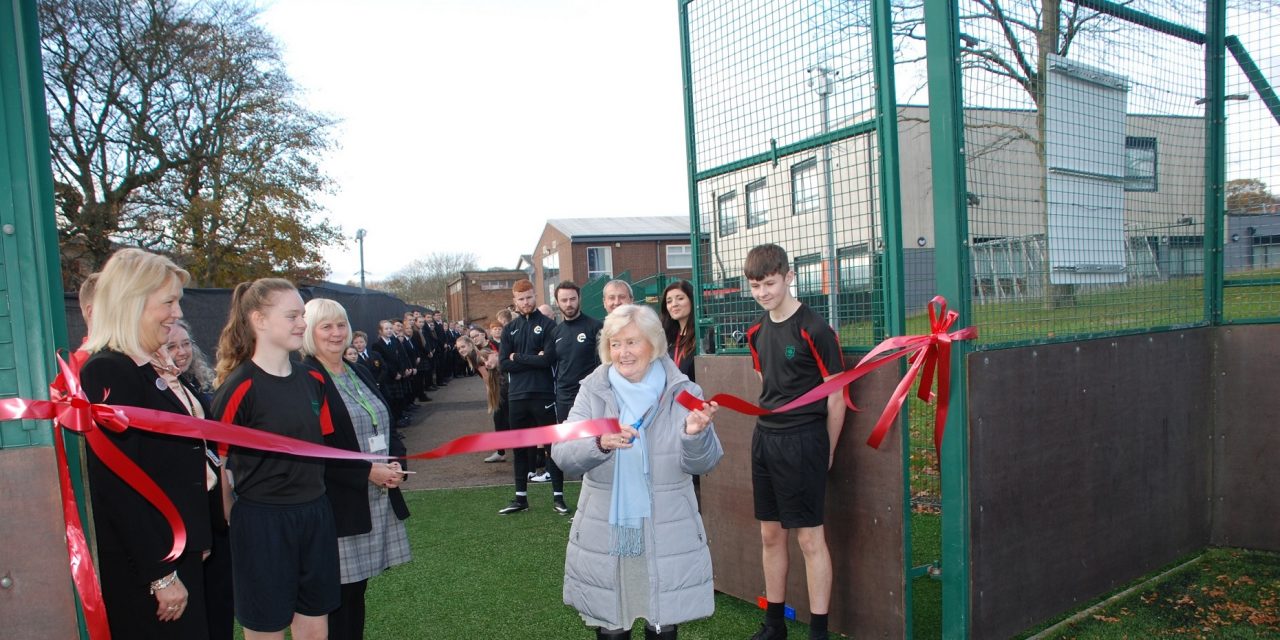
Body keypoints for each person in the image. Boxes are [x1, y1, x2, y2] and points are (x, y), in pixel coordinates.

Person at [551, 304, 723, 640]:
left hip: (666, 528)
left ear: (654, 344)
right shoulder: (593, 390)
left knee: (663, 623)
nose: (623, 353)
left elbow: (706, 463)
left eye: (632, 342)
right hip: (608, 531)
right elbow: (563, 455)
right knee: (612, 624)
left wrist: (695, 434)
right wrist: (598, 444)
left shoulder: (684, 393)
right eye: (615, 344)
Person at [80, 248, 212, 638]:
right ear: (132, 302)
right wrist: (160, 574)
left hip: (174, 552)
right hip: (151, 569)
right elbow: (118, 484)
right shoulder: (109, 370)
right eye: (168, 302)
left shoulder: (141, 369)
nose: (176, 313)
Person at [211, 278, 340, 640]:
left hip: (314, 515)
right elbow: (217, 464)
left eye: (302, 314)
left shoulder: (313, 377)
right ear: (259, 320)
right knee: (266, 628)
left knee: (314, 625)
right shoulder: (239, 388)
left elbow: (324, 447)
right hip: (262, 522)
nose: (302, 323)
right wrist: (233, 517)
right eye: (292, 315)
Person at [742, 244, 846, 640]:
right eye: (755, 286)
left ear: (789, 276)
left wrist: (828, 449)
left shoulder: (815, 328)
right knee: (770, 534)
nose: (763, 292)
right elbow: (764, 385)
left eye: (769, 283)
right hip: (765, 439)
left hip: (805, 442)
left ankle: (818, 630)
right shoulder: (755, 332)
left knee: (809, 537)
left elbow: (836, 397)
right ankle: (774, 625)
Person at [301, 299, 411, 640]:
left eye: (340, 325)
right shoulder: (307, 379)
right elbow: (313, 448)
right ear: (308, 332)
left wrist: (396, 461)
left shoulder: (356, 370)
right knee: (339, 595)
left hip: (374, 498)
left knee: (356, 592)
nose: (336, 333)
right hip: (339, 503)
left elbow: (386, 422)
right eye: (326, 326)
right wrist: (366, 472)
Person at [167, 319, 232, 640]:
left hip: (214, 511)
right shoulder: (160, 395)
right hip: (187, 517)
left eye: (185, 344)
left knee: (221, 600)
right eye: (172, 346)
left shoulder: (196, 387)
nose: (181, 352)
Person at [497, 280, 569, 515]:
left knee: (551, 446)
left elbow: (547, 359)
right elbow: (504, 364)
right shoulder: (510, 329)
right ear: (514, 301)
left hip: (543, 394)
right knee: (519, 448)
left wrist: (518, 357)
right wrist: (528, 358)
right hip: (517, 397)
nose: (525, 302)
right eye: (520, 299)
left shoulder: (549, 325)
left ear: (534, 296)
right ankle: (520, 499)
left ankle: (558, 498)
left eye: (528, 297)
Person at [551, 281, 603, 424]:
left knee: (591, 441)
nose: (569, 304)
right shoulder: (555, 332)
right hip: (563, 398)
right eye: (564, 300)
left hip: (588, 395)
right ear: (557, 302)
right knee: (568, 442)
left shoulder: (595, 327)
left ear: (579, 299)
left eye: (572, 299)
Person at [659, 280, 696, 382]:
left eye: (680, 298)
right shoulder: (666, 337)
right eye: (669, 301)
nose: (674, 304)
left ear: (692, 300)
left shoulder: (704, 335)